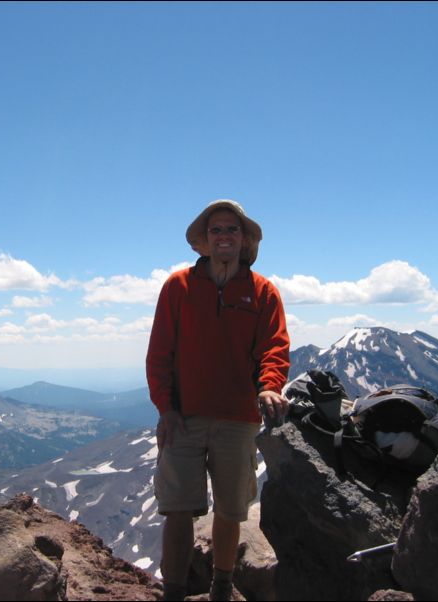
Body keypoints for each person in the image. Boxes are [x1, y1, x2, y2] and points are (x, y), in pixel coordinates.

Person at [146, 199, 290, 601]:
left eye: (232, 230)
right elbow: (160, 352)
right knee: (176, 508)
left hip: (238, 418)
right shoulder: (179, 287)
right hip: (184, 417)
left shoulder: (263, 292)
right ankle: (173, 592)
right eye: (216, 231)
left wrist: (270, 384)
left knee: (230, 510)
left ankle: (221, 590)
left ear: (244, 240)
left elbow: (274, 348)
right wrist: (166, 408)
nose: (224, 236)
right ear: (204, 241)